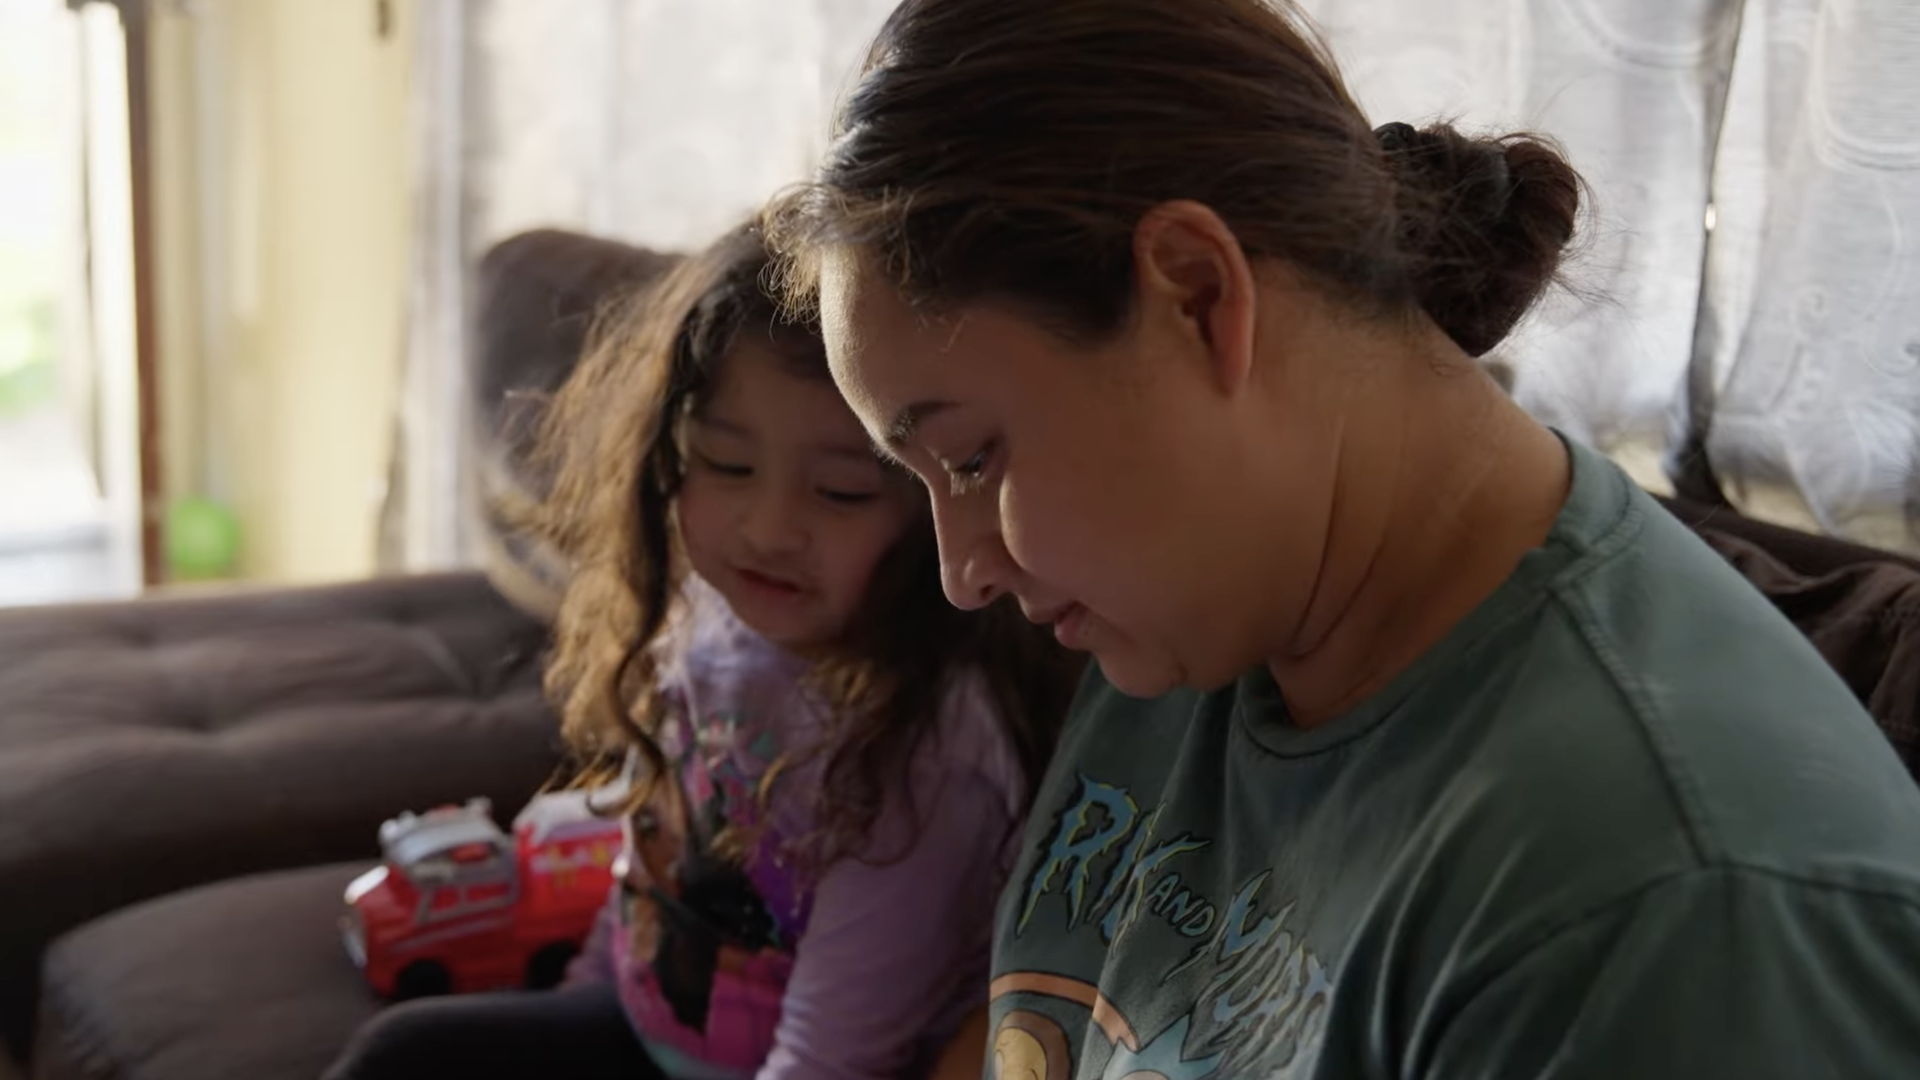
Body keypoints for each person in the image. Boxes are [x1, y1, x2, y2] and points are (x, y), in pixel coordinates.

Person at [766, 1, 1920, 1077]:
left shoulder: (1671, 909)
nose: (963, 571)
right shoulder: (1202, 610)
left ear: (1198, 297)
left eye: (972, 458)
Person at [325, 222, 1079, 1080]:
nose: (766, 531)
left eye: (839, 492)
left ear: (932, 503)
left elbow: (830, 1057)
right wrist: (576, 994)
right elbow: (655, 853)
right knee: (404, 1054)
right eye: (724, 464)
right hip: (648, 1035)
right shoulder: (708, 612)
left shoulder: (928, 766)